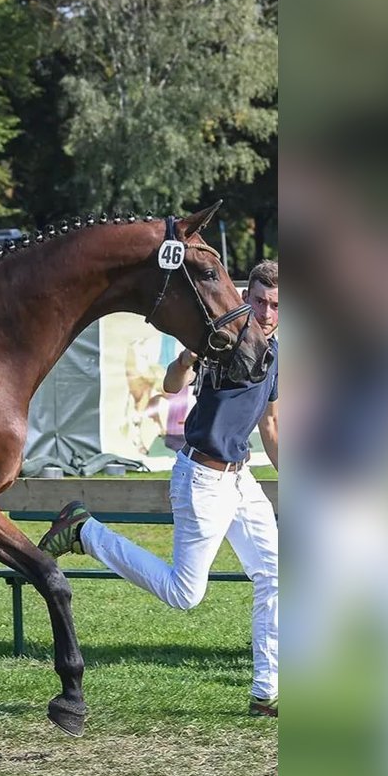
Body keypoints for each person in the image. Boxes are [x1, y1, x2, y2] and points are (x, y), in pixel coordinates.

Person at [39, 260, 280, 716]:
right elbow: (172, 386)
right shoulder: (223, 340)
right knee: (185, 594)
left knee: (277, 575)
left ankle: (266, 693)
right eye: (260, 301)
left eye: (275, 305)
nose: (266, 312)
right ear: (245, 298)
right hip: (203, 478)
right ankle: (86, 531)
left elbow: (270, 423)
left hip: (242, 480)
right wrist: (189, 356)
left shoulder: (276, 353)